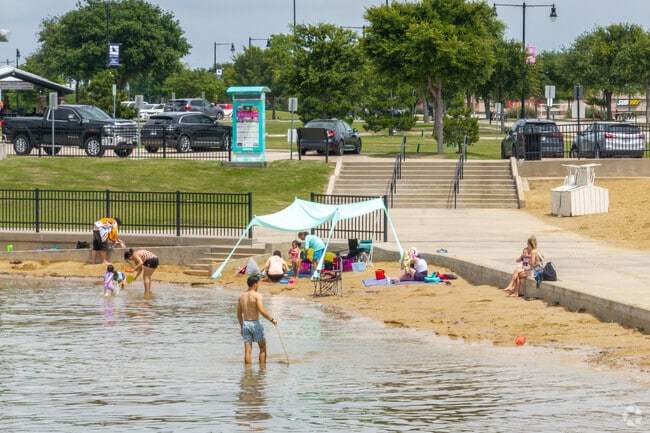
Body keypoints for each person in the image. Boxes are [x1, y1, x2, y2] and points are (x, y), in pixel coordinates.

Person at [237, 275, 277, 365]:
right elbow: (262, 311)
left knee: (247, 351)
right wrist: (272, 320)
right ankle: (262, 372)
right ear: (255, 284)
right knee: (262, 348)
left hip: (246, 324)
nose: (258, 286)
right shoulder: (257, 295)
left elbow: (239, 314)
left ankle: (248, 374)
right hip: (255, 323)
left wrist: (241, 327)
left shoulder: (241, 297)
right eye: (258, 284)